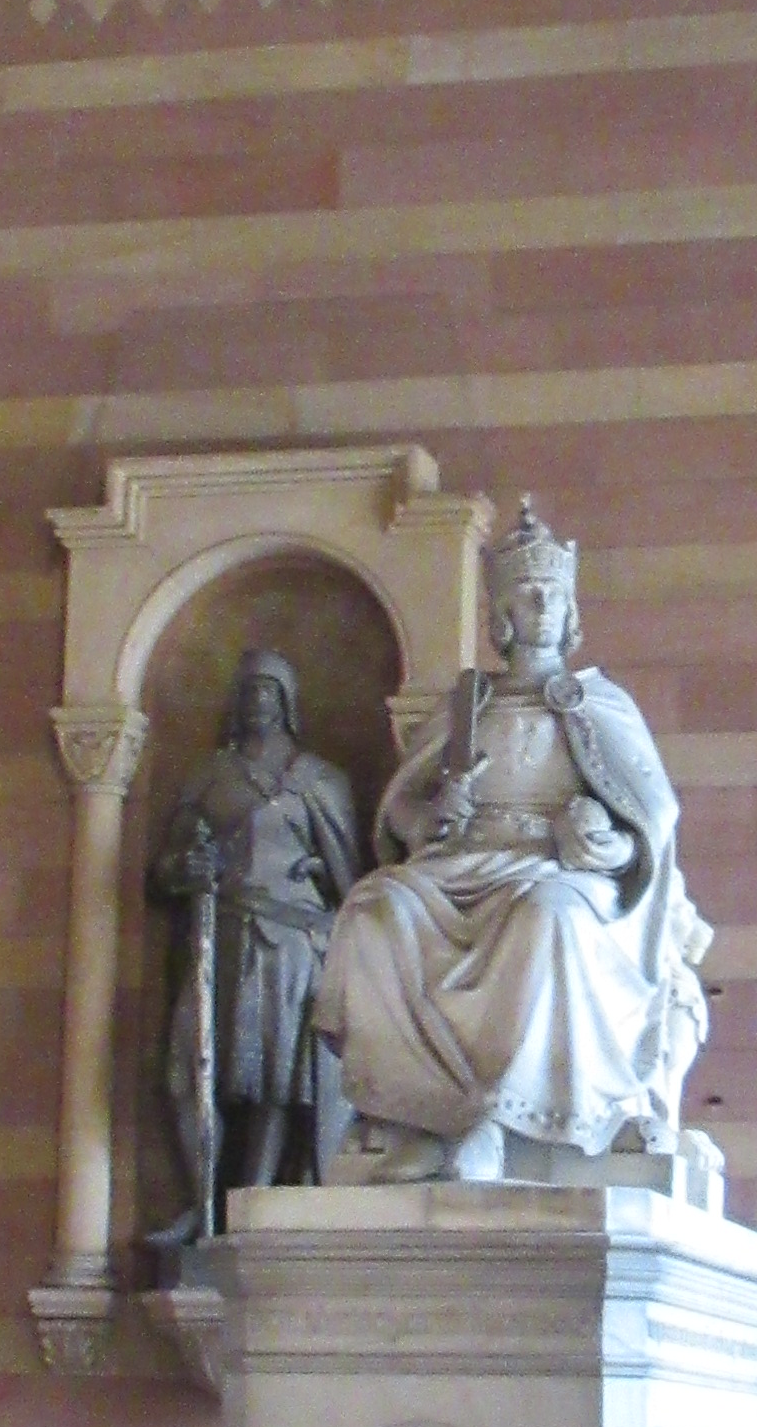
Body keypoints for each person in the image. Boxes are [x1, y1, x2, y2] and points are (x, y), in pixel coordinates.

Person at [315, 502, 709, 1172]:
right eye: (527, 592)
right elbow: (404, 807)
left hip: (560, 871)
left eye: (552, 591)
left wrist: (604, 844)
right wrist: (432, 814)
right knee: (375, 910)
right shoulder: (468, 705)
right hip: (463, 865)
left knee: (547, 917)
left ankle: (506, 1118)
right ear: (502, 611)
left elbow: (649, 818)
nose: (543, 604)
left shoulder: (600, 704)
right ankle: (413, 1112)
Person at [148, 653, 363, 1232]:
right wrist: (187, 867)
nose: (257, 701)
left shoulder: (318, 779)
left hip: (290, 938)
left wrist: (319, 871)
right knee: (191, 1070)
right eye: (249, 690)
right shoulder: (210, 775)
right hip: (220, 933)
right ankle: (202, 1198)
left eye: (269, 690)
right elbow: (166, 866)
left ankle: (254, 1198)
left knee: (277, 1075)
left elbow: (351, 880)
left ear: (286, 702)